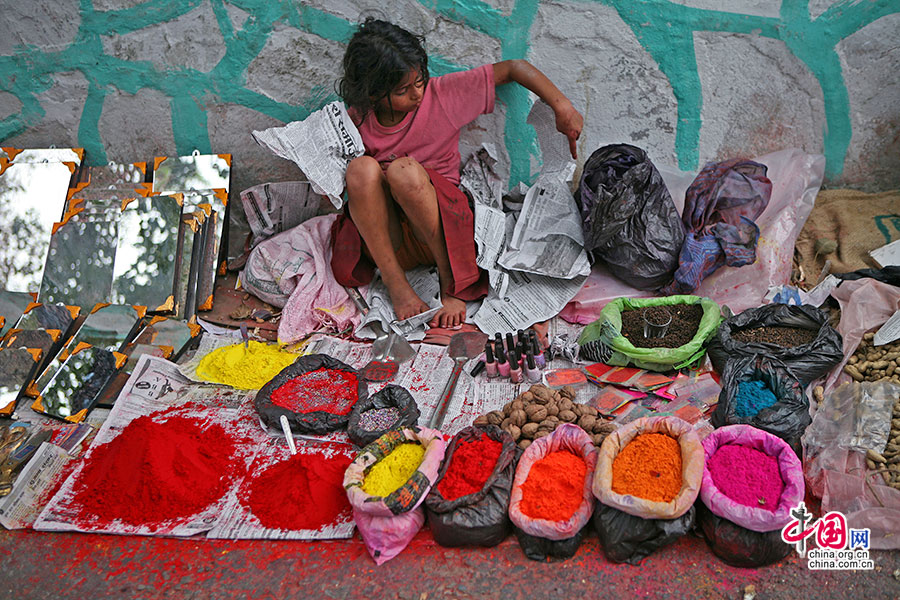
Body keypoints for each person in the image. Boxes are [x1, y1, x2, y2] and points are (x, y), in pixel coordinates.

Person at [331, 18, 583, 328]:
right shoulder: (357, 116)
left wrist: (562, 106)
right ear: (372, 94)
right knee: (361, 169)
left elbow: (513, 68)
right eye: (402, 90)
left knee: (404, 171)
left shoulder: (442, 96)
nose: (417, 94)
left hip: (442, 234)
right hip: (388, 242)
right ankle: (397, 285)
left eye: (419, 81)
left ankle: (453, 282)